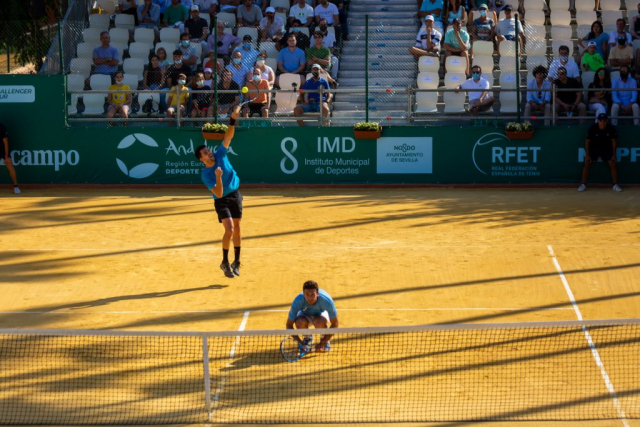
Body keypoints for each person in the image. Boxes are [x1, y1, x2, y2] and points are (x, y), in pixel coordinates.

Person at [194, 105, 243, 278]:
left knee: (237, 228)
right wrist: (218, 177)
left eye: (209, 151)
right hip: (221, 200)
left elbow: (228, 136)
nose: (210, 154)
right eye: (206, 154)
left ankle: (236, 262)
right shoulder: (206, 174)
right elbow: (219, 193)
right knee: (229, 229)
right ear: (202, 160)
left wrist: (233, 118)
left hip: (236, 195)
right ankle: (224, 262)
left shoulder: (221, 153)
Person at [286, 280, 338, 353]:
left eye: (312, 294)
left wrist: (322, 343)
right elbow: (289, 325)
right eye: (307, 294)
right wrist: (301, 343)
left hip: (321, 314)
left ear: (317, 293)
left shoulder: (326, 301)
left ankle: (324, 339)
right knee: (299, 322)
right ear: (303, 294)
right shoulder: (298, 301)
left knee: (319, 322)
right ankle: (307, 338)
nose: (310, 298)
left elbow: (335, 323)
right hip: (305, 314)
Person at [578, 113, 622, 192]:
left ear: (606, 121)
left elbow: (614, 142)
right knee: (587, 163)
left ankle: (615, 184)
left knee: (613, 164)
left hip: (606, 148)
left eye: (604, 121)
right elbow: (587, 142)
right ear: (598, 121)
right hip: (594, 148)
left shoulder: (611, 128)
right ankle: (583, 184)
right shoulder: (593, 128)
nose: (602, 123)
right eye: (601, 121)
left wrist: (614, 155)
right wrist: (587, 155)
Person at [0, 122, 20, 194]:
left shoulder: (1, 126)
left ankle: (16, 186)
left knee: (9, 163)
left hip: (2, 149)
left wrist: (6, 155)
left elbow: (5, 141)